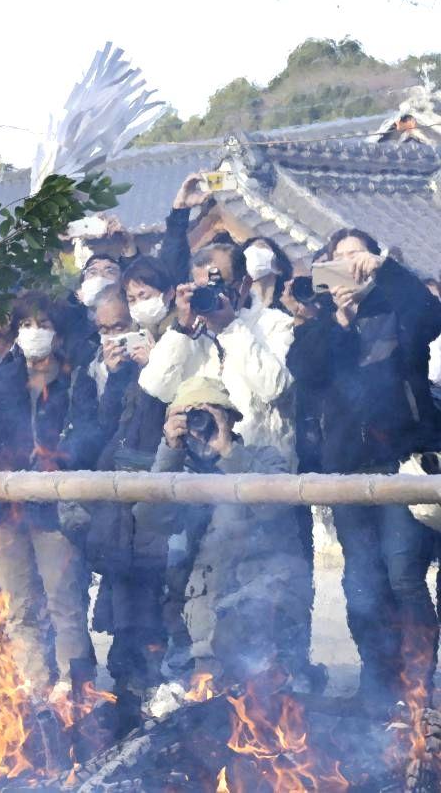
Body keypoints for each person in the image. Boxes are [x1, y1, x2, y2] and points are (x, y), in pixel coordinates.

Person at [286, 228, 441, 715]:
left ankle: (419, 686)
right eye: (341, 258)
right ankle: (378, 682)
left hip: (400, 466)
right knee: (361, 585)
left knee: (403, 578)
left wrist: (385, 267)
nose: (351, 265)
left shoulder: (400, 311)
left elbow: (432, 315)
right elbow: (307, 372)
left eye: (358, 255)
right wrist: (340, 317)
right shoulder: (318, 325)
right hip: (346, 471)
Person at [133, 377, 311, 693]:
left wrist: (227, 450)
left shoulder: (265, 458)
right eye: (190, 417)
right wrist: (169, 451)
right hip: (203, 617)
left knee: (265, 695)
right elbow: (150, 520)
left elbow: (275, 506)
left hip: (265, 606)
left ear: (228, 419)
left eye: (209, 414)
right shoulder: (178, 471)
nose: (199, 425)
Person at [0, 292, 104, 708]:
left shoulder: (76, 381)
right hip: (7, 509)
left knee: (64, 599)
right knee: (19, 604)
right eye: (26, 325)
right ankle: (32, 681)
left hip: (53, 508)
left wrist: (59, 462)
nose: (33, 333)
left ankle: (74, 682)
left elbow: (89, 434)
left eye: (42, 324)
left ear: (57, 333)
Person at [83, 294, 168, 734]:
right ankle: (124, 699)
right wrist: (117, 378)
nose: (115, 338)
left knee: (157, 604)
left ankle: (159, 694)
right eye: (104, 330)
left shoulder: (173, 355)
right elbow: (102, 430)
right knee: (121, 603)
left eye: (122, 325)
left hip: (160, 504)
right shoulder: (105, 374)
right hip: (116, 510)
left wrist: (155, 365)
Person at [138, 243, 296, 464]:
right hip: (199, 471)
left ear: (245, 284)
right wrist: (181, 329)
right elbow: (155, 387)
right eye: (202, 288)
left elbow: (274, 388)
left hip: (259, 466)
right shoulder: (188, 332)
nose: (211, 294)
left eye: (218, 286)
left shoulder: (276, 324)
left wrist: (230, 327)